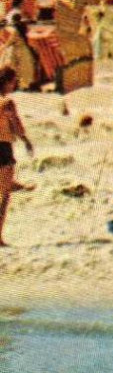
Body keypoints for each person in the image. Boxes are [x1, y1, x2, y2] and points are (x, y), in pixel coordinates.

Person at [0, 67, 35, 247]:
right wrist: (26, 141)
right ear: (7, 82)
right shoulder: (7, 103)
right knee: (4, 194)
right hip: (3, 147)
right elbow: (18, 127)